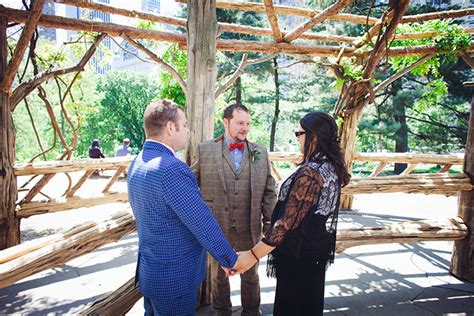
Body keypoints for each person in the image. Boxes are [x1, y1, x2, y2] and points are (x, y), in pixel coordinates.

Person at [128, 100, 244, 315]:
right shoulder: (171, 169)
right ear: (171, 128)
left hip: (151, 273)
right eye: (185, 124)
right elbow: (201, 223)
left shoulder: (137, 162)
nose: (189, 130)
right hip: (174, 278)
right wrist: (229, 259)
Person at [237, 112, 351, 316]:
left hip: (300, 254)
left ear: (313, 136)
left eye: (300, 132)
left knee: (293, 307)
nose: (297, 137)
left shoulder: (311, 172)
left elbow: (286, 224)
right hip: (315, 251)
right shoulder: (330, 166)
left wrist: (252, 255)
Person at [191, 103, 277, 315]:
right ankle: (222, 312)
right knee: (217, 277)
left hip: (249, 227)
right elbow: (191, 186)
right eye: (240, 123)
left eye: (247, 123)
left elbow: (269, 189)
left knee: (251, 276)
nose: (245, 128)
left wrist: (269, 221)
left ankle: (251, 312)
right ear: (226, 122)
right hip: (215, 227)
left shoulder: (259, 151)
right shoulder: (204, 149)